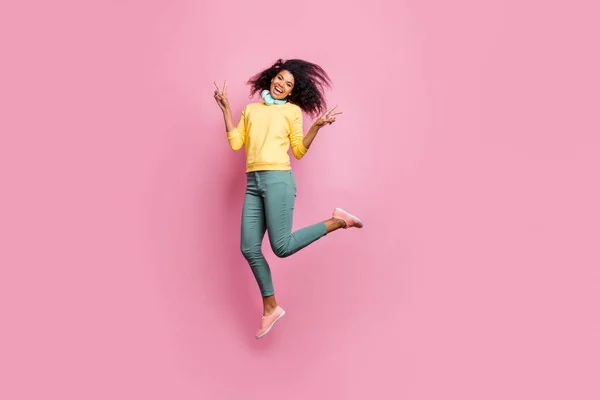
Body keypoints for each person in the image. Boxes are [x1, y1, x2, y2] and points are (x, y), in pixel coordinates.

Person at [213, 59, 363, 339]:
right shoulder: (251, 110)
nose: (281, 85)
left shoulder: (292, 112)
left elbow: (298, 151)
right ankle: (270, 307)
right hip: (253, 181)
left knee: (280, 247)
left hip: (278, 180)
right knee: (249, 248)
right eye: (279, 79)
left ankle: (337, 221)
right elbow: (236, 143)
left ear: (293, 92)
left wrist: (315, 126)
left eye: (288, 84)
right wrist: (225, 110)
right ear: (271, 78)